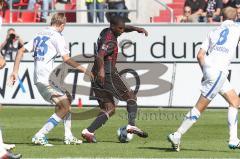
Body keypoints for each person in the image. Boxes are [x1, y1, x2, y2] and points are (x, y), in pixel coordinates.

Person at [9, 13, 93, 146]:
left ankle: (68, 136)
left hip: (39, 77)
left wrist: (14, 71)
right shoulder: (57, 36)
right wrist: (85, 70)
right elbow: (66, 59)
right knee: (64, 107)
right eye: (64, 27)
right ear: (62, 25)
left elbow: (20, 51)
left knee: (67, 99)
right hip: (46, 78)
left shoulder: (39, 34)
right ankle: (40, 135)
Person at [168, 7, 240, 151]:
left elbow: (200, 55)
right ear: (236, 16)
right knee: (199, 107)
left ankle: (233, 139)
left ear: (222, 17)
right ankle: (177, 134)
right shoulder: (238, 28)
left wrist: (205, 72)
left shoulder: (213, 31)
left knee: (235, 101)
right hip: (219, 72)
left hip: (211, 70)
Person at [81, 15, 148, 143]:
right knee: (131, 97)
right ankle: (131, 124)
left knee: (109, 108)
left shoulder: (106, 32)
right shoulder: (110, 41)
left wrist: (135, 28)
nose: (122, 31)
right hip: (107, 73)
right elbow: (100, 55)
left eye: (123, 28)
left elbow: (123, 27)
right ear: (113, 27)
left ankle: (88, 131)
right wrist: (102, 71)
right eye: (120, 29)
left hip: (94, 74)